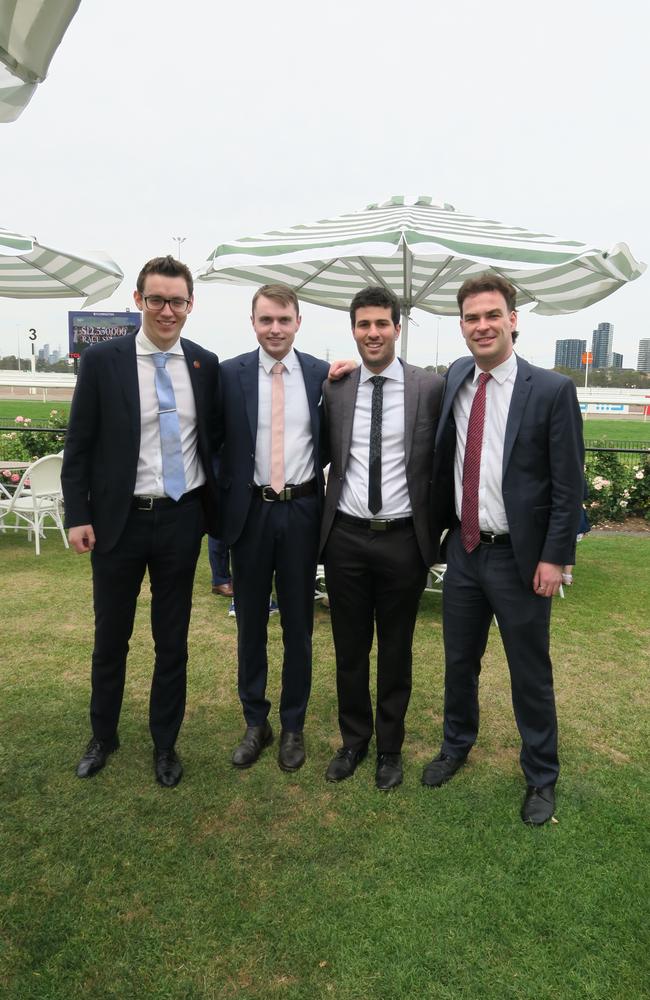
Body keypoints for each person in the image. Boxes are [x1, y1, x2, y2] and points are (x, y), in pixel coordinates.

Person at [421, 272, 584, 825]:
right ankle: (455, 745)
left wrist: (556, 557)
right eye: (471, 317)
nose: (482, 325)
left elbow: (568, 485)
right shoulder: (457, 377)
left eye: (492, 315)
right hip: (466, 552)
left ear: (513, 319)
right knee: (459, 663)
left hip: (522, 559)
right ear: (462, 325)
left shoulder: (552, 390)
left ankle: (541, 776)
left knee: (529, 673)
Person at [62, 255, 219, 788]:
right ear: (138, 301)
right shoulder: (103, 361)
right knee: (112, 638)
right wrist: (77, 515)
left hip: (180, 521)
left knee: (172, 641)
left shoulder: (204, 364)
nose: (167, 310)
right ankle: (102, 735)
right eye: (157, 299)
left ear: (190, 305)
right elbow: (78, 446)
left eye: (177, 301)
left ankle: (165, 744)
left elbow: (216, 441)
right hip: (118, 523)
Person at [320, 286, 444, 790]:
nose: (373, 333)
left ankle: (390, 749)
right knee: (349, 649)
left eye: (382, 324)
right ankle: (354, 741)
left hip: (402, 540)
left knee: (396, 649)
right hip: (346, 536)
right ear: (353, 329)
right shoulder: (336, 386)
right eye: (363, 325)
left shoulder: (428, 388)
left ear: (397, 327)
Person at [216, 284, 329, 772]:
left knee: (299, 626)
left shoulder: (324, 376)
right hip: (252, 513)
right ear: (253, 322)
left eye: (284, 319)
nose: (275, 329)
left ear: (298, 321)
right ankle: (255, 721)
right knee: (251, 624)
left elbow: (330, 441)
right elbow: (214, 445)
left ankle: (293, 725)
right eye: (266, 320)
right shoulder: (228, 375)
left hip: (302, 511)